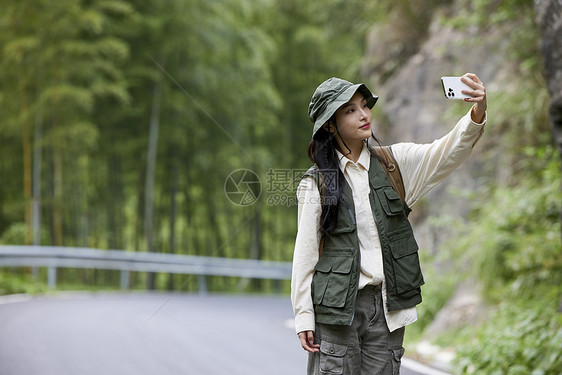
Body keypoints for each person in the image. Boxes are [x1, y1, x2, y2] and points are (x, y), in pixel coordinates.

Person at [291, 73, 487, 374]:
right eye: (350, 110)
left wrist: (477, 112)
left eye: (364, 106)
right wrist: (304, 315)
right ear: (330, 125)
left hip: (387, 309)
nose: (364, 114)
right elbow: (305, 255)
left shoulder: (395, 164)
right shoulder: (315, 184)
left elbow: (447, 151)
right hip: (337, 311)